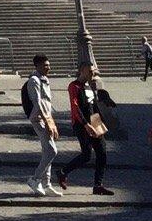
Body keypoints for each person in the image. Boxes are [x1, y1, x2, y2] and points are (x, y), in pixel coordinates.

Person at [56, 65, 115, 196]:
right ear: (82, 71)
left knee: (102, 152)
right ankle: (62, 172)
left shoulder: (89, 86)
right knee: (86, 155)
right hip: (81, 123)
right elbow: (75, 107)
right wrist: (85, 124)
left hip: (95, 120)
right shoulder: (74, 86)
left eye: (94, 72)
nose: (92, 75)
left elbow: (93, 105)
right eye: (90, 72)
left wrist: (101, 123)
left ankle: (98, 185)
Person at [21, 54, 64, 197]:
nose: (49, 68)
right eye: (45, 65)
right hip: (39, 119)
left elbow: (47, 103)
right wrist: (47, 121)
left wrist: (51, 121)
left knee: (48, 151)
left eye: (49, 65)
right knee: (52, 151)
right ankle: (35, 179)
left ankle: (47, 184)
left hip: (46, 118)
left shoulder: (45, 80)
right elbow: (38, 103)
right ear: (37, 66)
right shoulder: (34, 80)